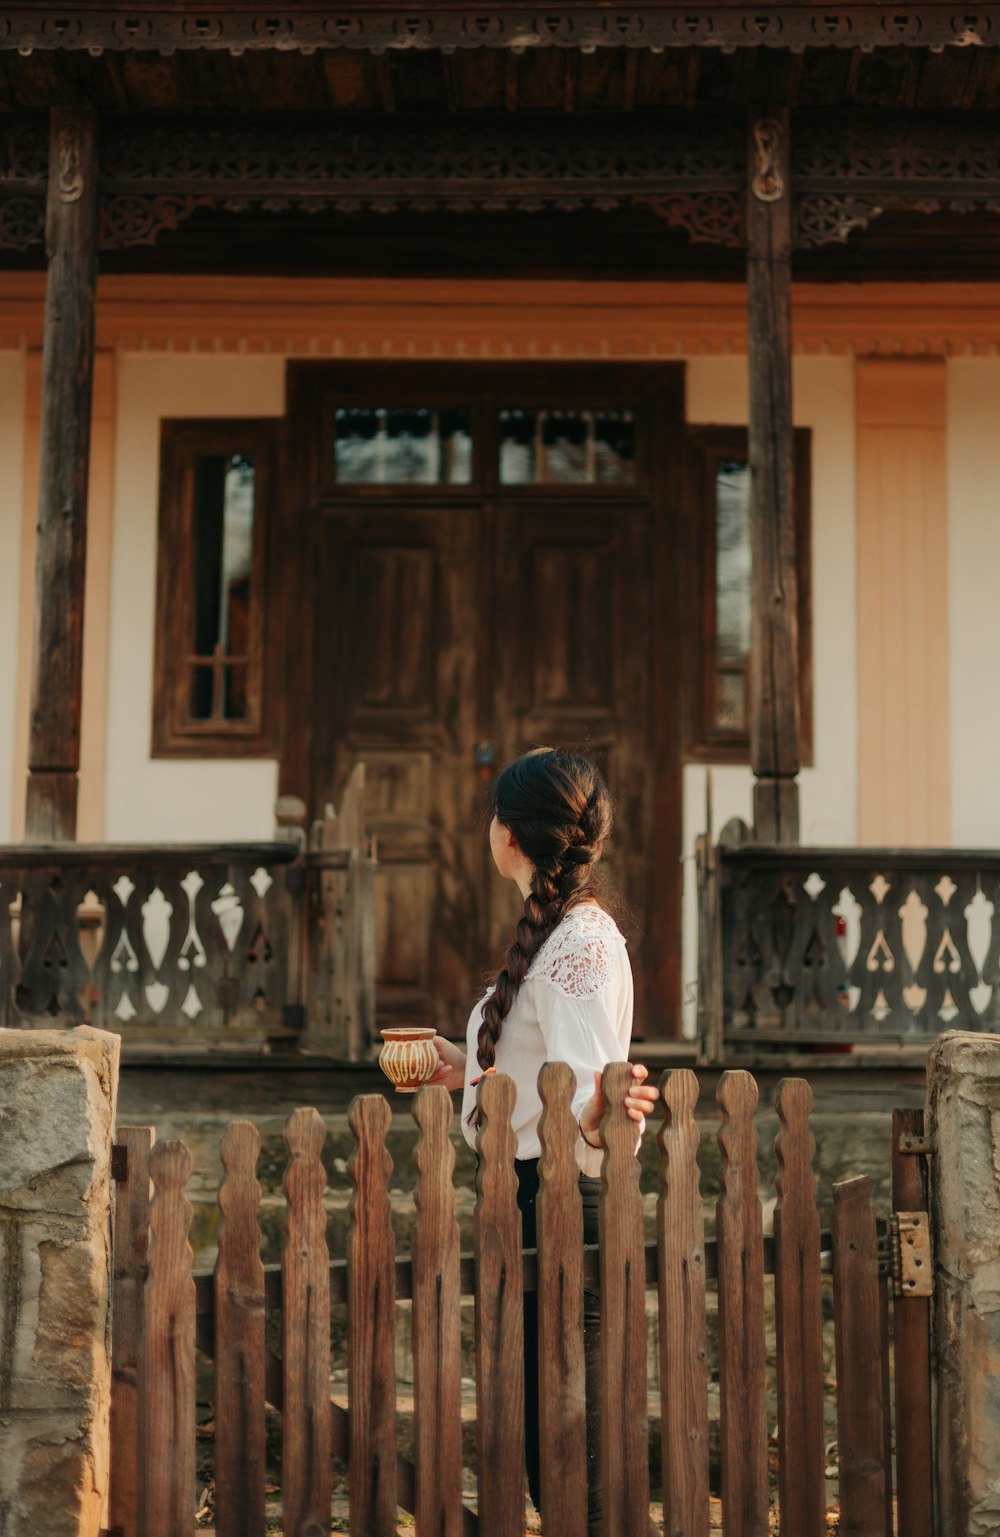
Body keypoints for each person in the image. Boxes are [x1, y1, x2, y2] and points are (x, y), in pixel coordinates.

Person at [428, 747, 658, 1536]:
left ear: (511, 836)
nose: (488, 826)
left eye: (494, 812)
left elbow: (590, 1089)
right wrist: (461, 1069)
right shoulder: (557, 935)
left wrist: (609, 1101)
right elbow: (547, 1077)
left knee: (571, 1441)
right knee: (544, 1435)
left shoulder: (582, 943)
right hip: (531, 1197)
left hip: (565, 1204)